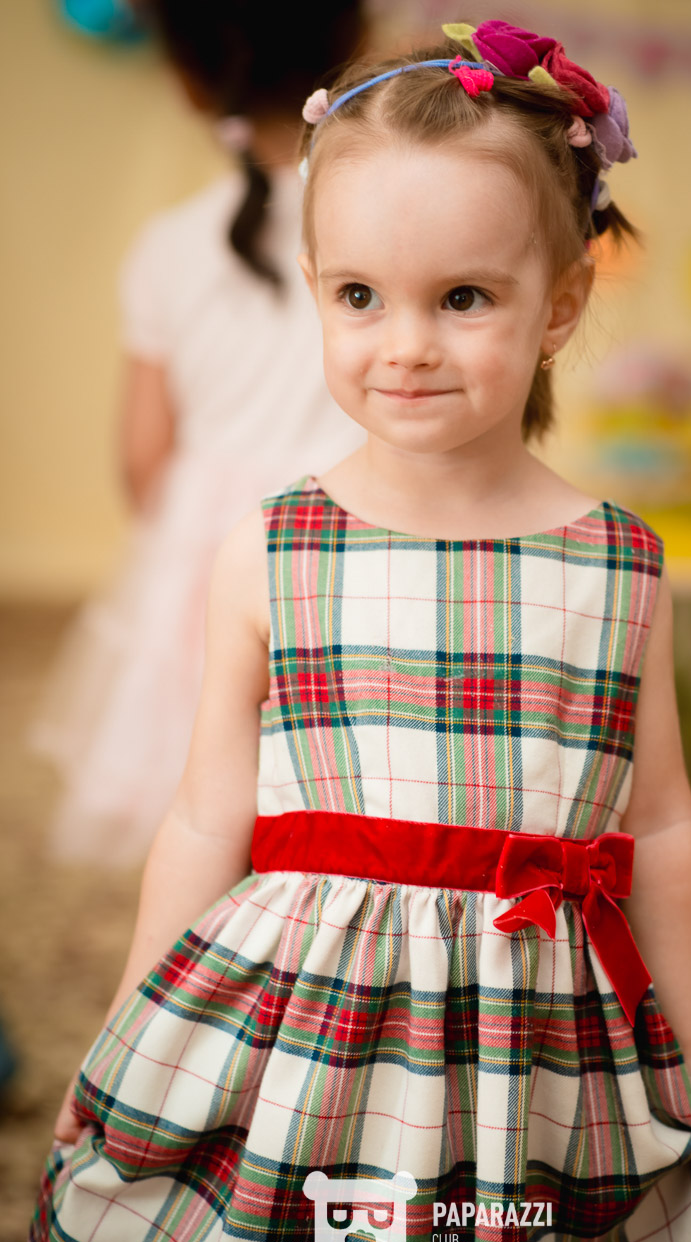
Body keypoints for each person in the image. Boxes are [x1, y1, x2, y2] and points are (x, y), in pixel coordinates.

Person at [29, 20, 691, 1242]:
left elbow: (659, 822)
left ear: (557, 306)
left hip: (530, 1039)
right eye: (358, 297)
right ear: (314, 287)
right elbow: (205, 815)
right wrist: (127, 1025)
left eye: (462, 298)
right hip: (313, 1027)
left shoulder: (618, 562)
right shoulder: (268, 548)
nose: (404, 344)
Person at [29, 0, 366, 865]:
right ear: (356, 51)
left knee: (206, 777)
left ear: (187, 82)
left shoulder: (167, 244)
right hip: (358, 529)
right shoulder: (381, 225)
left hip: (215, 545)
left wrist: (176, 539)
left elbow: (144, 455)